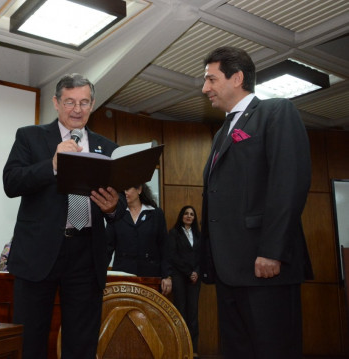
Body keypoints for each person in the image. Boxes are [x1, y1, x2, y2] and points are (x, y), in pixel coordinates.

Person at [3, 73, 125, 359]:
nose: (77, 109)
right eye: (69, 102)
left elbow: (117, 208)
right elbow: (11, 183)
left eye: (84, 102)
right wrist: (53, 164)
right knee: (30, 340)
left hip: (87, 253)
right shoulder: (29, 137)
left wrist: (112, 208)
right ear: (56, 103)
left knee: (82, 343)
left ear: (92, 104)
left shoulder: (108, 148)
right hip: (38, 253)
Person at [200, 46, 312, 359]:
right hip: (229, 272)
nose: (204, 88)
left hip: (265, 267)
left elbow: (289, 183)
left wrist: (271, 251)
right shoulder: (223, 130)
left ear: (237, 78)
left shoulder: (276, 111)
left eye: (211, 79)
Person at [106, 183, 172, 295]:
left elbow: (164, 247)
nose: (124, 193)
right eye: (121, 191)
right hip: (123, 275)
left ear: (139, 190)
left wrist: (167, 276)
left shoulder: (156, 214)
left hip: (150, 277)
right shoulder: (116, 214)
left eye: (127, 189)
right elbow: (107, 247)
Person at [169, 205, 201, 356]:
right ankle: (181, 348)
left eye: (192, 214)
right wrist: (189, 272)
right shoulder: (174, 233)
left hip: (195, 278)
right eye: (186, 214)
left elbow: (201, 257)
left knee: (193, 313)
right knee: (180, 311)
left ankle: (193, 350)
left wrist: (196, 272)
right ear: (181, 216)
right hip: (179, 277)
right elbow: (173, 256)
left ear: (194, 218)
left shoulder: (198, 235)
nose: (189, 216)